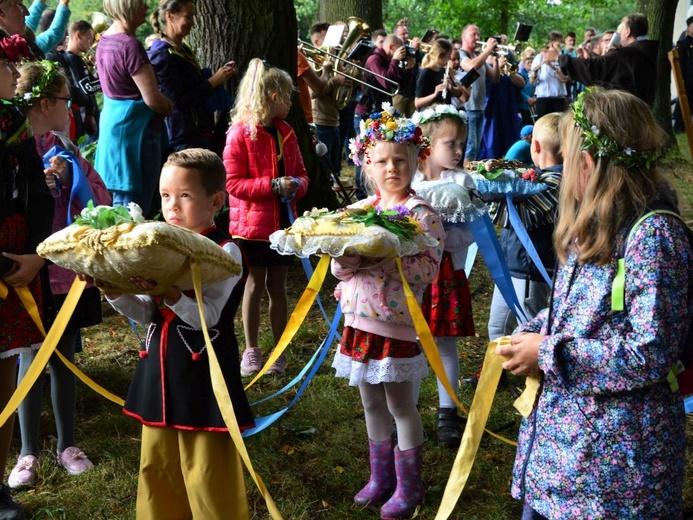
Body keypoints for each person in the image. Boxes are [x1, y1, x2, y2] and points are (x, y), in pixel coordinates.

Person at [498, 89, 691, 519]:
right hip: (569, 449)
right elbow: (580, 310)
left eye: (566, 159)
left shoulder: (653, 237)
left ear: (586, 164)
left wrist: (546, 353)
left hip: (616, 469)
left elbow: (651, 352)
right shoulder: (592, 226)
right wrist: (537, 328)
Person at [88, 148, 253, 519]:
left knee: (207, 474)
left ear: (216, 201)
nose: (172, 206)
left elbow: (208, 318)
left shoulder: (226, 252)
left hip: (202, 378)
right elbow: (148, 312)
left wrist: (170, 292)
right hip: (159, 373)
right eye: (165, 196)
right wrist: (113, 290)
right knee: (156, 468)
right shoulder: (157, 246)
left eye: (185, 195)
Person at [333, 106, 444, 518]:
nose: (392, 167)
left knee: (400, 406)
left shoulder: (420, 215)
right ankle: (381, 477)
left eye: (400, 159)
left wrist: (381, 258)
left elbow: (428, 268)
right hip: (358, 322)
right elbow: (338, 264)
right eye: (382, 161)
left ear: (416, 161)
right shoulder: (358, 211)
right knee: (371, 404)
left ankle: (409, 486)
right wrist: (347, 262)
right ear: (367, 164)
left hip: (396, 326)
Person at [8, 59, 111, 490]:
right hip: (27, 276)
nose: (72, 109)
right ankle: (27, 451)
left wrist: (74, 180)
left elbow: (101, 200)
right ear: (47, 103)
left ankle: (67, 444)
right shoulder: (15, 151)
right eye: (67, 102)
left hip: (65, 277)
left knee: (65, 359)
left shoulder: (67, 150)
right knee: (29, 362)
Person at [223, 59, 310, 377]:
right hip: (251, 228)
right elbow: (232, 184)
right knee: (254, 284)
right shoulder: (240, 134)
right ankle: (251, 350)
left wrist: (295, 186)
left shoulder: (287, 133)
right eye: (288, 96)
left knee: (278, 286)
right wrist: (271, 186)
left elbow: (302, 175)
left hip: (282, 226)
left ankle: (279, 350)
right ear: (274, 96)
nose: (291, 102)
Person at [0, 31, 54, 520]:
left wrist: (36, 255)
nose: (17, 74)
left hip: (17, 264)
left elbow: (38, 192)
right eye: (7, 63)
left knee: (5, 376)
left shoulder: (13, 121)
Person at [411, 105, 479, 448]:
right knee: (411, 342)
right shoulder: (410, 181)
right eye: (451, 143)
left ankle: (447, 412)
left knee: (444, 345)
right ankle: (405, 412)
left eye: (461, 144)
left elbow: (470, 232)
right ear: (426, 144)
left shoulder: (462, 182)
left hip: (446, 272)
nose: (459, 150)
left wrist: (442, 237)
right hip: (411, 274)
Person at [487, 113, 562, 342]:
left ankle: (538, 377)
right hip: (513, 265)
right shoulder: (542, 178)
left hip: (530, 270)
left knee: (531, 332)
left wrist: (489, 195)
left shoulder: (556, 183)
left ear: (535, 145)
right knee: (498, 328)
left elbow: (520, 217)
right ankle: (496, 376)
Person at [95, 0, 173, 215]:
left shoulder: (105, 40)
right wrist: (169, 106)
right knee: (133, 215)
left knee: (118, 212)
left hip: (113, 136)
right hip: (134, 140)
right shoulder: (130, 45)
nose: (146, 7)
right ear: (127, 6)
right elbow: (153, 100)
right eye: (141, 3)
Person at [148, 0, 237, 152]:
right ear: (170, 16)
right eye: (188, 17)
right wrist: (213, 81)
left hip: (201, 131)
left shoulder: (184, 48)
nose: (193, 23)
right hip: (184, 137)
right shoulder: (162, 54)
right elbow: (178, 102)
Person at [557, 14, 659, 105]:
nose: (618, 36)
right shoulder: (647, 53)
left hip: (626, 114)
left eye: (619, 32)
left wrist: (559, 58)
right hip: (643, 112)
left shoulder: (626, 54)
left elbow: (595, 70)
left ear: (627, 32)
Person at [49, 20, 101, 141]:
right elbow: (87, 87)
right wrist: (109, 79)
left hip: (90, 114)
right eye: (89, 38)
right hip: (82, 121)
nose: (91, 42)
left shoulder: (79, 58)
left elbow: (91, 84)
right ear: (78, 35)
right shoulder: (72, 59)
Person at [459, 24, 501, 167]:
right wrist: (488, 50)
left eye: (478, 34)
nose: (477, 38)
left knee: (475, 148)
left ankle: (470, 177)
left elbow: (495, 78)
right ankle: (466, 178)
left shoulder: (478, 56)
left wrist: (495, 59)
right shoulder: (461, 55)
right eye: (473, 34)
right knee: (470, 147)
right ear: (464, 37)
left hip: (479, 107)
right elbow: (471, 66)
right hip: (467, 107)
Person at [414, 39, 468, 109]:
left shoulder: (443, 70)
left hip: (446, 111)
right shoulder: (426, 73)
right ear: (440, 56)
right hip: (431, 114)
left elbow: (460, 94)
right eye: (448, 56)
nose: (449, 59)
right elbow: (417, 103)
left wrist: (452, 88)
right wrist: (435, 94)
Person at [529, 33, 568, 118]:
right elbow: (531, 82)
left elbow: (564, 79)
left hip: (559, 98)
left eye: (562, 44)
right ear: (550, 44)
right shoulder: (539, 57)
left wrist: (551, 66)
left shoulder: (563, 58)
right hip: (543, 98)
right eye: (558, 44)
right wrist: (535, 74)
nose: (561, 46)